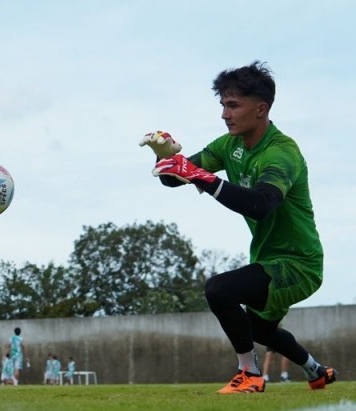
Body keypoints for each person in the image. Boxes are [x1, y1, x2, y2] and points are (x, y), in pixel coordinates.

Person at [142, 61, 336, 394]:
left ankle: (250, 374)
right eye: (222, 105)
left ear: (260, 108)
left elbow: (260, 206)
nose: (224, 114)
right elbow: (177, 179)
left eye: (233, 105)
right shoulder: (228, 146)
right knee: (259, 330)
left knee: (220, 289)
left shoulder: (281, 153)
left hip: (299, 264)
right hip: (268, 258)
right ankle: (317, 371)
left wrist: (196, 175)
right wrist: (164, 156)